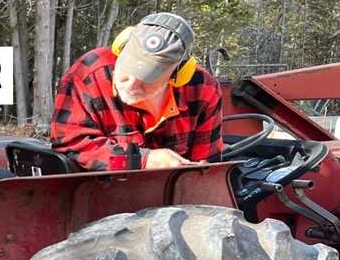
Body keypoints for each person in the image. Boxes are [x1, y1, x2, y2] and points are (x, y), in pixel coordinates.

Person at [50, 12, 223, 170]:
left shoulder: (204, 90)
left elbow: (204, 167)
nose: (131, 85)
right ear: (120, 47)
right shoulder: (88, 75)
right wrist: (142, 160)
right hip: (98, 192)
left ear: (178, 75)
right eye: (127, 71)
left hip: (173, 195)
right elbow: (69, 142)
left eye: (147, 79)